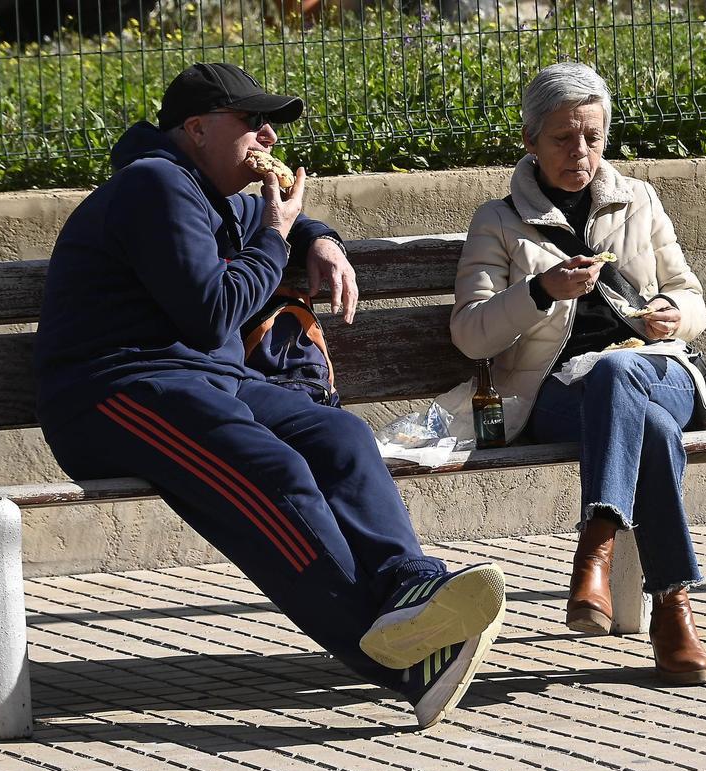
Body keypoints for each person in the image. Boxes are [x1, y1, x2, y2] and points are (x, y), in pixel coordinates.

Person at [34, 62, 506, 727]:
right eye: (252, 123)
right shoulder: (154, 186)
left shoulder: (208, 188)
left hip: (202, 384)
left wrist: (322, 240)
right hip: (114, 393)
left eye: (272, 125)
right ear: (196, 130)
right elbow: (211, 310)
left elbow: (266, 215)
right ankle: (402, 659)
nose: (269, 139)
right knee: (272, 474)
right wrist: (281, 237)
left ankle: (408, 585)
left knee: (337, 436)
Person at [449, 62, 706, 685]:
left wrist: (673, 316)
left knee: (623, 370)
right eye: (564, 138)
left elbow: (691, 296)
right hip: (559, 391)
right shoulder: (499, 220)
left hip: (660, 369)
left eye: (593, 136)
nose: (582, 151)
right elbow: (470, 333)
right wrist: (538, 290)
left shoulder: (638, 199)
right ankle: (672, 606)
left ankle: (595, 543)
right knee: (642, 420)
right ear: (530, 141)